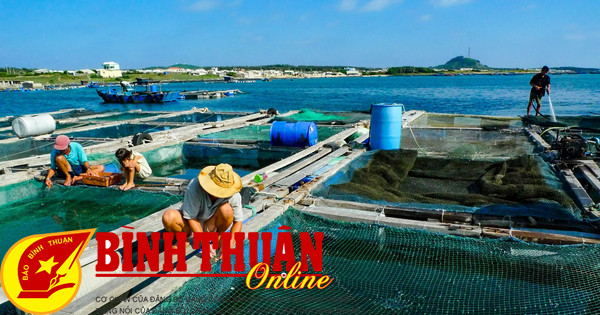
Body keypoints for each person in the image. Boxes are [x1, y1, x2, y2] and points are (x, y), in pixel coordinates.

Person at [162, 164, 243, 255]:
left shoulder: (234, 194)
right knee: (169, 217)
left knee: (227, 210)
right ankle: (184, 239)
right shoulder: (194, 186)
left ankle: (217, 236)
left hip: (212, 225)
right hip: (190, 224)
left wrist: (229, 246)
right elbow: (191, 217)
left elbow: (238, 222)